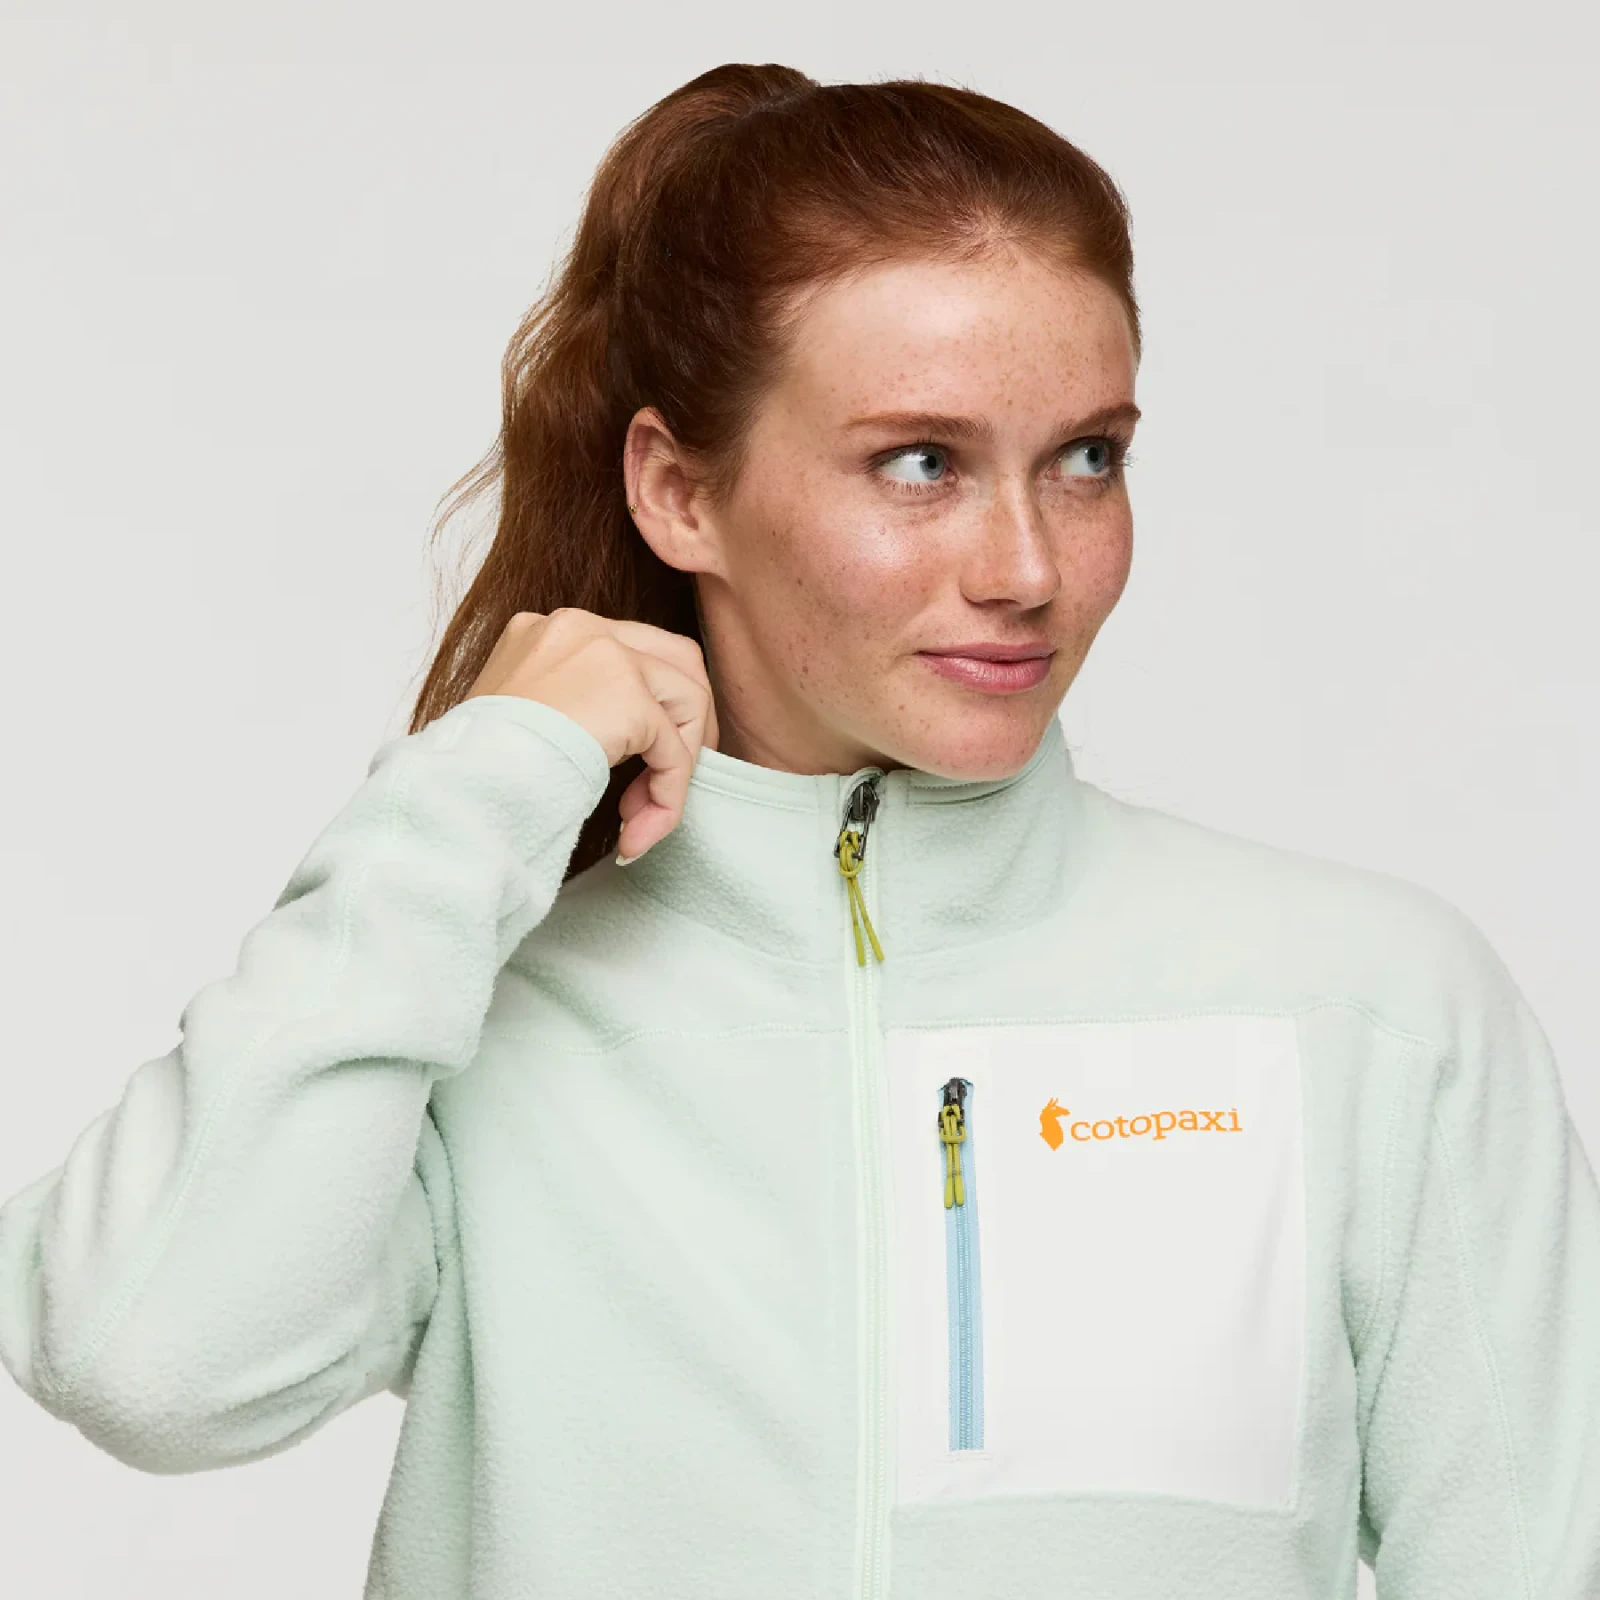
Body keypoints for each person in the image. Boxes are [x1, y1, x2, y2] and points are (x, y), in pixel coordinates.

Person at [1, 60, 1596, 1600]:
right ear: (679, 493)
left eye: (1086, 458)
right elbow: (146, 1360)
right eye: (921, 463)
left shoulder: (1367, 1009)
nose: (1028, 567)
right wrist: (484, 782)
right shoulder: (474, 1012)